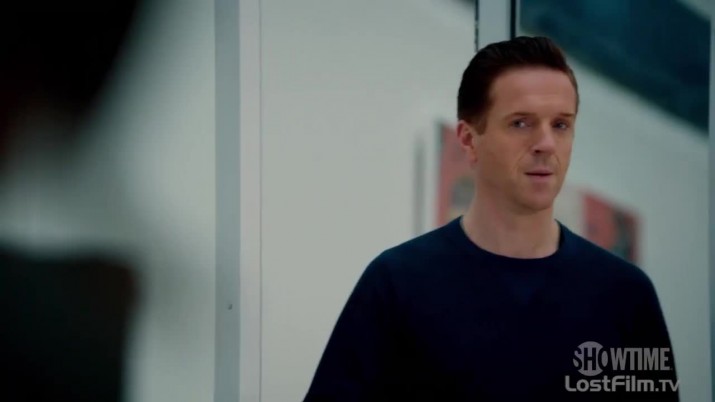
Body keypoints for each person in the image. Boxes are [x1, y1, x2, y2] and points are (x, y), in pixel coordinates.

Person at [303, 36, 678, 401]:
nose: (546, 144)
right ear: (469, 140)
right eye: (521, 123)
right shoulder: (396, 283)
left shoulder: (626, 296)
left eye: (561, 125)